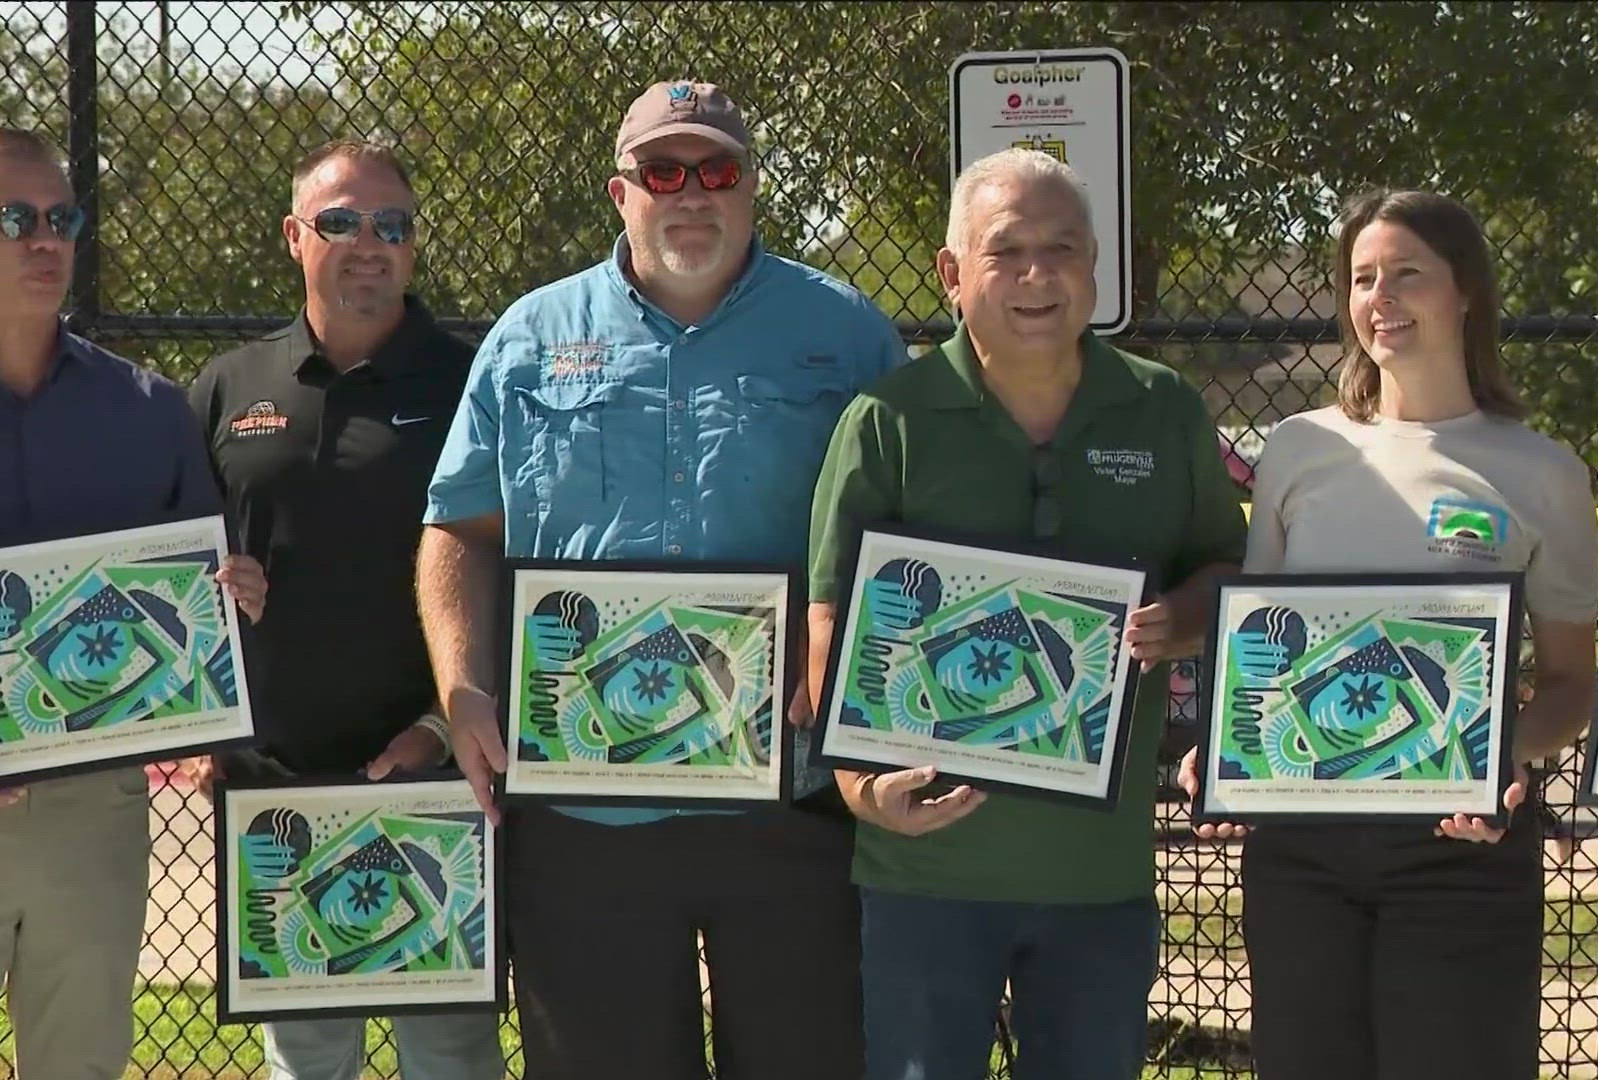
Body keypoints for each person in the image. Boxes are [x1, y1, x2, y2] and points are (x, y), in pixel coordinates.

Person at [416, 81, 906, 1078]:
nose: (691, 193)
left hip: (791, 796)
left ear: (752, 187)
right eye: (663, 171)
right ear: (621, 191)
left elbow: (902, 533)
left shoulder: (846, 334)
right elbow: (460, 530)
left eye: (717, 170)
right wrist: (463, 685)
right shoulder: (528, 338)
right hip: (585, 811)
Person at [806, 147, 1249, 1080]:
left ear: (1097, 268)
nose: (1039, 274)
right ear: (953, 272)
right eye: (1008, 251)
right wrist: (859, 791)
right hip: (926, 871)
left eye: (1065, 248)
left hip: (1098, 873)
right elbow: (831, 620)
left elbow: (1225, 570)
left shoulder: (1164, 409)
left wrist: (1184, 618)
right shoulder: (888, 420)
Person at [1179, 188, 1598, 1080]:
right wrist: (1226, 742)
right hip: (1303, 850)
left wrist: (1502, 761)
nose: (1382, 297)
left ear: (1468, 294)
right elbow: (1263, 649)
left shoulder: (1544, 471)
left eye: (1408, 274)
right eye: (1363, 278)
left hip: (1460, 851)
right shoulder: (1296, 447)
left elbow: (1571, 681)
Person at [182, 138, 503, 1080]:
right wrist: (206, 689)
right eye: (341, 221)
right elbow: (179, 567)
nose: (369, 242)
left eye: (391, 225)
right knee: (307, 1067)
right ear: (294, 236)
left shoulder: (471, 381)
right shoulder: (229, 387)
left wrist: (439, 728)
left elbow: (507, 570)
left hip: (433, 785)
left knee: (449, 1060)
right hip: (278, 786)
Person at [0, 126, 265, 1079]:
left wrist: (232, 597)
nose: (45, 239)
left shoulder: (148, 408)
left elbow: (200, 599)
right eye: (16, 218)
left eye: (60, 218)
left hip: (92, 806)